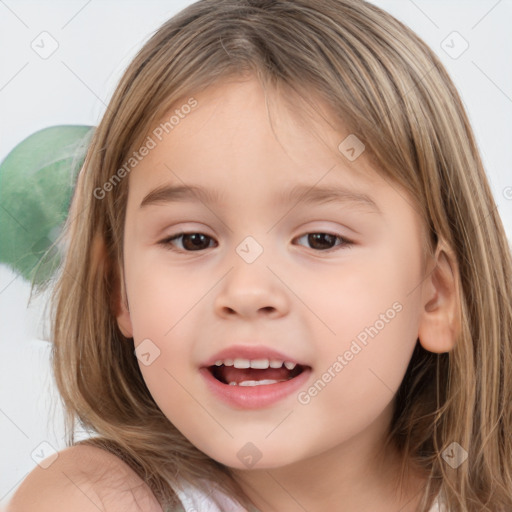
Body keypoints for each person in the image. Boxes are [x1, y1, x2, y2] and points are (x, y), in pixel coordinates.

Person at [7, 0, 512, 510]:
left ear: (438, 296)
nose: (247, 292)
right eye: (192, 240)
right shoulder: (96, 500)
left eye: (321, 240)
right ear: (120, 290)